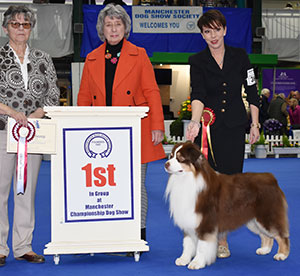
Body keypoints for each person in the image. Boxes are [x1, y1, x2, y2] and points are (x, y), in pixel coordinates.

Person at [77, 4, 165, 243]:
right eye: (109, 24)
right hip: (101, 133)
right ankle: (112, 231)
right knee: (107, 185)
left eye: (118, 24)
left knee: (136, 183)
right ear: (101, 29)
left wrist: (157, 124)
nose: (113, 29)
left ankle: (139, 233)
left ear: (125, 28)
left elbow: (152, 91)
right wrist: (81, 129)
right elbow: (84, 97)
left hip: (135, 130)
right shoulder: (92, 58)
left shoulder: (140, 54)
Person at [186, 9, 260, 259]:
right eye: (207, 31)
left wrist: (255, 124)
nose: (213, 35)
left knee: (229, 184)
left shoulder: (240, 57)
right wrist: (195, 122)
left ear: (225, 30)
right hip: (209, 131)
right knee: (207, 186)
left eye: (217, 30)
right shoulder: (197, 61)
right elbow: (197, 94)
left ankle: (222, 239)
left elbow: (252, 92)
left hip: (234, 129)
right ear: (202, 34)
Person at [0, 6, 59, 266]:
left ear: (31, 29)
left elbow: (53, 94)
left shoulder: (44, 58)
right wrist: (11, 113)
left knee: (26, 191)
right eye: (15, 24)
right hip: (3, 130)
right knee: (0, 192)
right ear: (5, 28)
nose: (20, 28)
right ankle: (0, 248)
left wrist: (38, 113)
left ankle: (23, 246)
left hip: (34, 134)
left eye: (25, 24)